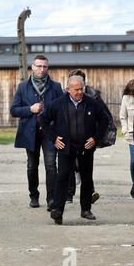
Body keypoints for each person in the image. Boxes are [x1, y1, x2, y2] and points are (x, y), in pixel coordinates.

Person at [42, 75, 109, 225]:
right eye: (76, 89)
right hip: (66, 147)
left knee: (86, 178)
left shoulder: (91, 103)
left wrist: (95, 138)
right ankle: (58, 211)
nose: (79, 92)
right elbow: (44, 119)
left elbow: (105, 120)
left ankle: (86, 209)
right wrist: (53, 138)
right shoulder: (58, 104)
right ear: (68, 89)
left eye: (82, 89)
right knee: (62, 178)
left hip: (85, 146)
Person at [10, 55, 63, 210]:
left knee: (51, 165)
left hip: (49, 132)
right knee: (32, 166)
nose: (41, 69)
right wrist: (29, 109)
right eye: (38, 66)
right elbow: (13, 110)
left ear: (48, 68)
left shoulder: (56, 86)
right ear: (32, 67)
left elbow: (62, 110)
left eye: (44, 66)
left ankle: (51, 200)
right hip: (30, 132)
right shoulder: (22, 87)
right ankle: (34, 196)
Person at [66, 69, 112, 205]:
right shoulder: (64, 97)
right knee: (70, 165)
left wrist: (96, 137)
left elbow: (105, 117)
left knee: (85, 167)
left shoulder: (93, 97)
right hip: (69, 138)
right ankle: (69, 193)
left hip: (88, 138)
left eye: (81, 81)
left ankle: (89, 194)